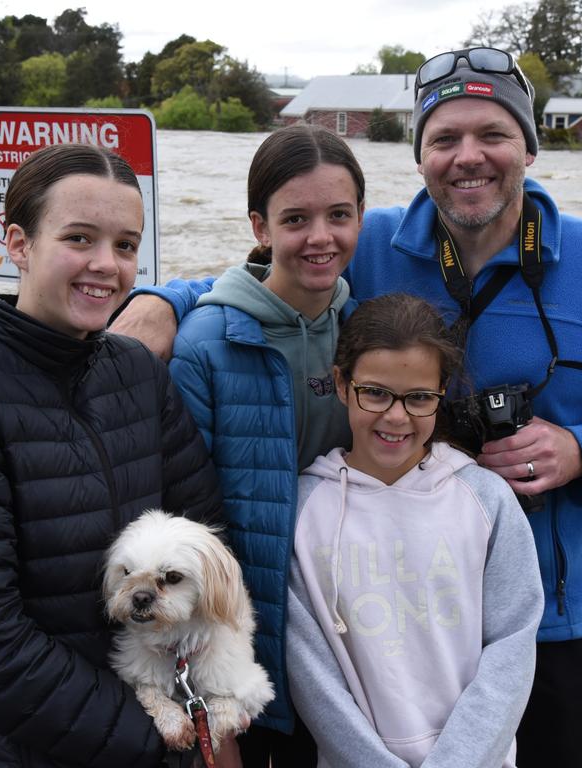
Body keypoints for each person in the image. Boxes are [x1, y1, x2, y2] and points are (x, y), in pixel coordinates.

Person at [110, 46, 582, 768]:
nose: (468, 158)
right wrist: (158, 302)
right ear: (419, 156)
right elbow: (267, 276)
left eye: (492, 134)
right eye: (444, 139)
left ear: (529, 146)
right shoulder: (368, 242)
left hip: (539, 621)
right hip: (372, 624)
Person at [0, 143, 222, 768]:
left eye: (125, 245)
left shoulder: (138, 374)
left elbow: (205, 542)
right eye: (79, 238)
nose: (106, 265)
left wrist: (209, 703)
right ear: (16, 242)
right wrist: (149, 737)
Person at [167, 123, 365, 767]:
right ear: (260, 226)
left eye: (339, 215)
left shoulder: (365, 334)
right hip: (247, 634)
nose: (320, 237)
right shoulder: (205, 344)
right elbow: (185, 525)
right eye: (295, 218)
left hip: (345, 625)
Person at [289, 292, 543, 767]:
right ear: (342, 384)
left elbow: (512, 644)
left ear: (441, 393)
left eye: (419, 398)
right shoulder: (303, 511)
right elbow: (311, 673)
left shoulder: (486, 499)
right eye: (376, 393)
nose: (396, 416)